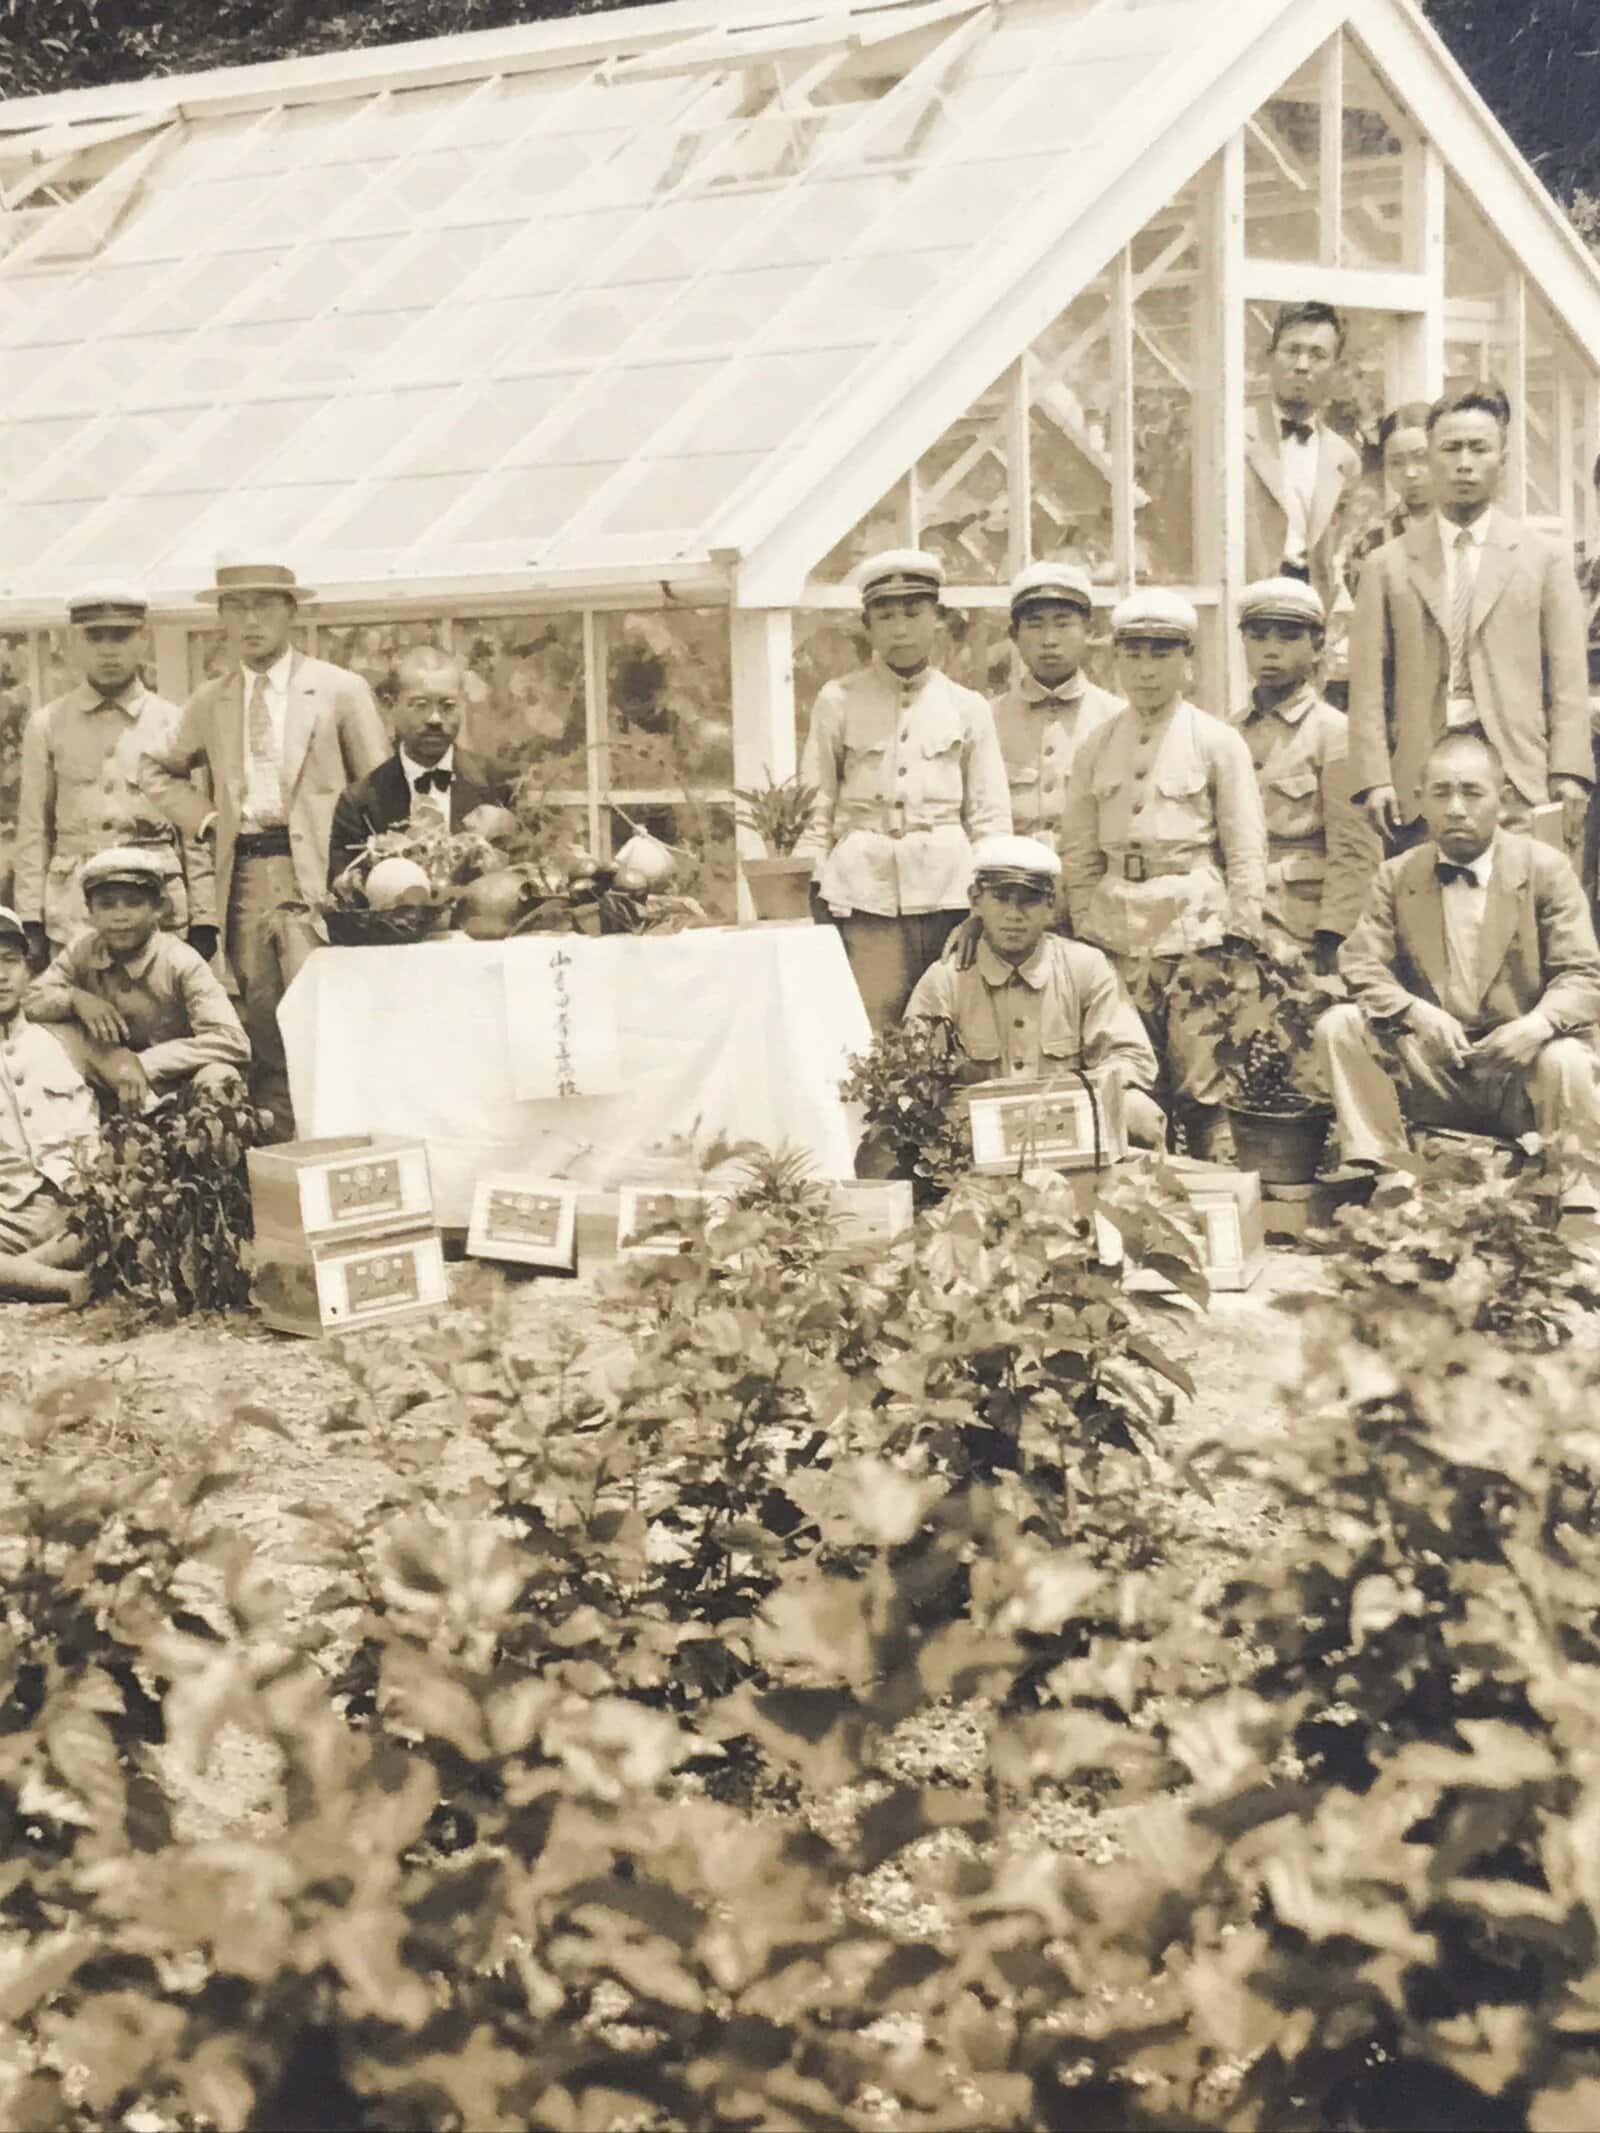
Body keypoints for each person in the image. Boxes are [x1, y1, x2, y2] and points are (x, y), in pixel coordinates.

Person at [141, 557, 389, 1135]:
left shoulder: (337, 689)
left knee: (330, 1016)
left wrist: (365, 878)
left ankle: (349, 1148)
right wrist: (204, 819)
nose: (250, 620)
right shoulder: (211, 700)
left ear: (291, 613)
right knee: (265, 1022)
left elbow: (381, 790)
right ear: (221, 620)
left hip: (326, 879)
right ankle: (281, 1162)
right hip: (248, 874)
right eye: (236, 608)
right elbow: (155, 767)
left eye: (265, 606)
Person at [1316, 731, 1600, 1187]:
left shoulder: (1544, 869)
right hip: (1437, 1068)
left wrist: (1536, 1026)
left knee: (1566, 1057)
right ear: (1420, 800)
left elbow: (1584, 976)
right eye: (1441, 793)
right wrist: (1416, 1012)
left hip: (1519, 1076)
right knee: (1340, 1025)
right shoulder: (1397, 875)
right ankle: (1390, 1177)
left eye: (1472, 792)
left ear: (1502, 800)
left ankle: (1581, 1203)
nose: (1455, 809)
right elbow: (1361, 964)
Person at [1060, 591, 1267, 1152]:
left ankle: (1215, 1202)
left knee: (1204, 1088)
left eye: (1161, 654)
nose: (1146, 670)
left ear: (1187, 661)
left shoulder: (1217, 741)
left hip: (1195, 933)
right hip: (1115, 935)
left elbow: (1245, 847)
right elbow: (1078, 850)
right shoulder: (1096, 745)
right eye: (1134, 655)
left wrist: (1239, 936)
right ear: (1116, 661)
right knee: (1126, 1080)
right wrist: (1085, 924)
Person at [1348, 383, 1591, 860]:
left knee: (1520, 914)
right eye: (1450, 448)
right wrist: (1374, 777)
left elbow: (1566, 678)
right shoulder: (1386, 564)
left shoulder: (1543, 560)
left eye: (1479, 448)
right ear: (1430, 456)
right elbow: (1368, 688)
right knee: (1426, 914)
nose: (1464, 462)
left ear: (1503, 458)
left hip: (1519, 777)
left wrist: (1569, 771)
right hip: (1420, 781)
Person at [796, 548, 1011, 1029]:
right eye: (885, 615)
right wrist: (812, 891)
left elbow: (989, 817)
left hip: (950, 897)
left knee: (957, 1023)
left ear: (938, 619)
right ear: (867, 625)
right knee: (876, 1029)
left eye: (913, 613)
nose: (899, 628)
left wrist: (987, 906)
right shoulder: (838, 700)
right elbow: (816, 805)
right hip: (864, 895)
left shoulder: (968, 707)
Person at [904, 835, 1164, 1146]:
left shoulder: (1086, 967)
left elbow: (1130, 1056)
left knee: (1139, 1113)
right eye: (1001, 898)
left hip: (1068, 1125)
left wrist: (1068, 1100)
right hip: (978, 1133)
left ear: (1050, 905)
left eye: (1029, 900)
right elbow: (913, 1074)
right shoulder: (947, 979)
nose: (1014, 914)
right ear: (976, 900)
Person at [14, 585, 213, 969]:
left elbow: (196, 832)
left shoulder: (174, 722)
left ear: (143, 639)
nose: (108, 649)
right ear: (74, 643)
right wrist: (30, 917)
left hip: (158, 908)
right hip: (75, 912)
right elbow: (33, 829)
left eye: (121, 636)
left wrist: (205, 917)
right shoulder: (47, 724)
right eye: (95, 636)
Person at [28, 847, 250, 1115]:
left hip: (175, 1081)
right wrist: (75, 999)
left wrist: (144, 1063)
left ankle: (201, 1153)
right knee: (48, 1037)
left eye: (134, 902)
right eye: (107, 904)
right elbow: (30, 1000)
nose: (120, 915)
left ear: (158, 908)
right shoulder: (83, 949)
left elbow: (233, 1040)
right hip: (110, 1079)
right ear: (90, 912)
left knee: (220, 1078)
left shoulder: (180, 960)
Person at [1232, 577, 1376, 968]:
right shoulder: (1228, 734)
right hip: (1236, 926)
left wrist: (1333, 939)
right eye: (1259, 637)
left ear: (1316, 648)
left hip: (1303, 932)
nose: (1271, 651)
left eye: (1288, 637)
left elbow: (1354, 852)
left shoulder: (1335, 734)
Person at [327, 647, 499, 885]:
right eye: (420, 705)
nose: (435, 719)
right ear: (390, 705)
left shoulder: (499, 785)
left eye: (448, 706)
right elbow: (345, 898)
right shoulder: (359, 803)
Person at [0, 904, 98, 1304]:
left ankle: (21, 1275)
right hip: (8, 1214)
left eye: (10, 961)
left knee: (109, 1227)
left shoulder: (65, 1038)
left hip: (76, 1210)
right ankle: (62, 1282)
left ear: (28, 969)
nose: (0, 975)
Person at [988, 562, 1120, 857]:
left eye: (1063, 624)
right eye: (1035, 625)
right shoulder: (987, 720)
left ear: (1089, 630)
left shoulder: (1116, 719)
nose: (1049, 640)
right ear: (1014, 635)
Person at [1244, 301, 1362, 611]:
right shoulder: (1232, 436)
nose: (1302, 364)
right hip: (1244, 607)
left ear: (1335, 368)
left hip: (1310, 614)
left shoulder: (1344, 458)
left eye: (1318, 355)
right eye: (1292, 350)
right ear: (1270, 358)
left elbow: (1336, 552)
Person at [1343, 402, 1435, 599]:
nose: (1410, 473)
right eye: (1396, 463)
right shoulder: (1372, 541)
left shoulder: (1472, 530)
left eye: (1421, 458)